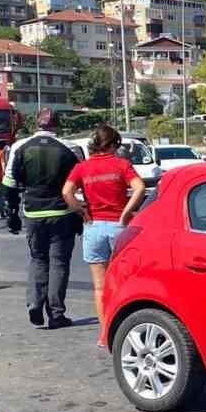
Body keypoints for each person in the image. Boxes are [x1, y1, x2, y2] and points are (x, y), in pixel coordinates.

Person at [62, 123, 146, 340]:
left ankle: (105, 333)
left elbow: (67, 192)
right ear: (113, 144)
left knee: (100, 286)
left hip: (94, 227)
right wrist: (126, 213)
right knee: (125, 282)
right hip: (119, 227)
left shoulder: (82, 168)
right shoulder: (121, 165)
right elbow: (139, 188)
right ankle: (124, 332)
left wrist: (80, 210)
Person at [3, 109, 81, 329]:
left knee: (38, 259)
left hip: (33, 212)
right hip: (62, 212)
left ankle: (35, 302)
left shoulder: (19, 147)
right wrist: (81, 213)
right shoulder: (70, 148)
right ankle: (56, 314)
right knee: (59, 263)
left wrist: (12, 214)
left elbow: (9, 184)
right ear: (57, 125)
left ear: (36, 124)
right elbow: (80, 183)